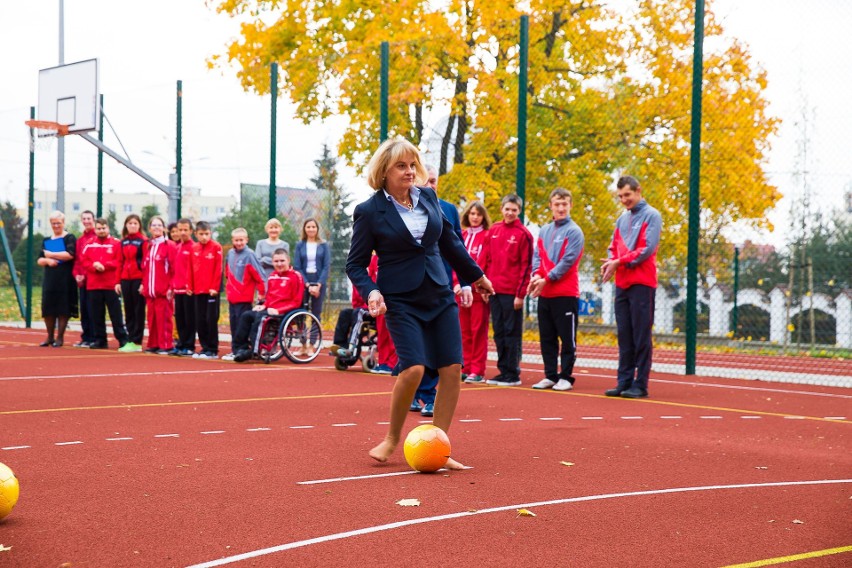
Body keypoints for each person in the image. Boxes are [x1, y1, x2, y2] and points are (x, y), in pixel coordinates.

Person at [346, 136, 494, 468]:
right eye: (401, 165)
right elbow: (354, 263)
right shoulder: (369, 211)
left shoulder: (428, 197)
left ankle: (437, 447)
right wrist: (371, 290)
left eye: (412, 164)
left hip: (440, 293)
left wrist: (476, 276)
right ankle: (391, 439)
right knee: (413, 369)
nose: (410, 171)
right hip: (400, 299)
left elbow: (451, 243)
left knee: (452, 370)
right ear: (384, 171)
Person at [406, 165, 472, 417]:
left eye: (434, 181)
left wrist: (465, 282)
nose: (431, 185)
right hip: (411, 287)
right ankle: (415, 391)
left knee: (439, 345)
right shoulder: (401, 208)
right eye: (427, 180)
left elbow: (458, 248)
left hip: (441, 285)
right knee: (415, 342)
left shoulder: (448, 210)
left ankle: (431, 396)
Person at [600, 175, 662, 399]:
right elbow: (612, 246)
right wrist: (610, 261)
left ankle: (640, 384)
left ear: (638, 191)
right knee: (624, 334)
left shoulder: (652, 215)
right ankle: (623, 381)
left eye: (627, 195)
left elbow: (647, 248)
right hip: (622, 283)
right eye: (620, 196)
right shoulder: (621, 220)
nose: (624, 200)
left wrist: (620, 261)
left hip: (642, 283)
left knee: (641, 334)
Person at [527, 188, 585, 391]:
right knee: (547, 337)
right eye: (557, 204)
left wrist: (548, 278)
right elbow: (538, 256)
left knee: (567, 338)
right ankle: (550, 375)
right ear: (551, 205)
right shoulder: (544, 230)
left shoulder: (574, 231)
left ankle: (566, 377)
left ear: (570, 206)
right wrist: (536, 275)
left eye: (565, 204)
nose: (561, 208)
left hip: (566, 294)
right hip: (545, 294)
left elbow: (568, 261)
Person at [485, 194, 533, 386]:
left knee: (511, 332)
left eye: (514, 209)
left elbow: (526, 266)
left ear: (519, 211)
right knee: (498, 332)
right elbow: (488, 260)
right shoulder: (494, 230)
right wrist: (486, 287)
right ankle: (503, 370)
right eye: (507, 209)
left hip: (512, 293)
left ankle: (513, 373)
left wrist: (520, 295)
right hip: (495, 291)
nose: (510, 212)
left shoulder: (524, 234)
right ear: (501, 209)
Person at [232, 249, 304, 362]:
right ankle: (239, 349)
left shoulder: (296, 276)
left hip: (285, 311)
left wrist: (279, 310)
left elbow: (296, 301)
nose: (279, 264)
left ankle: (254, 351)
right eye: (276, 261)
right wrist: (264, 305)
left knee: (261, 319)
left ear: (288, 260)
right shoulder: (272, 276)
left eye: (282, 261)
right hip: (269, 309)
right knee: (247, 315)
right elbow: (269, 297)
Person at [81, 218, 129, 350]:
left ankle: (122, 339)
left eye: (103, 228)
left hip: (111, 285)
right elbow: (83, 261)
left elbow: (119, 261)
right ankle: (100, 339)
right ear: (95, 229)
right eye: (98, 228)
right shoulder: (89, 244)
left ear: (108, 228)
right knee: (96, 314)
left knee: (115, 314)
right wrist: (93, 266)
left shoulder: (116, 243)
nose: (101, 231)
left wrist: (105, 266)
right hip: (94, 285)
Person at [458, 201, 492, 384]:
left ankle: (478, 370)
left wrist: (482, 284)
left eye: (478, 214)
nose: (475, 217)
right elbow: (455, 261)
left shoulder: (487, 236)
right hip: (462, 292)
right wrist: (457, 284)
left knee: (478, 331)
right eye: (472, 213)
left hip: (478, 292)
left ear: (483, 217)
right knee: (464, 331)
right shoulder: (461, 235)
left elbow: (486, 261)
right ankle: (467, 367)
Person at [222, 228, 266, 361]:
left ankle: (241, 349)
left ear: (247, 240)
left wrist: (262, 292)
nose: (239, 242)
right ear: (232, 241)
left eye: (242, 240)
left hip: (244, 298)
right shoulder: (230, 253)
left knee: (242, 326)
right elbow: (227, 272)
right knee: (234, 324)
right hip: (232, 297)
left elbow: (260, 275)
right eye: (236, 240)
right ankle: (236, 350)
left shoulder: (250, 255)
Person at [36, 211, 78, 347]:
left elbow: (70, 254)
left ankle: (60, 337)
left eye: (58, 223)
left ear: (63, 223)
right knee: (48, 306)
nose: (56, 226)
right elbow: (40, 259)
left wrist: (52, 255)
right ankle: (49, 337)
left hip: (65, 278)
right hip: (50, 278)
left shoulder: (69, 238)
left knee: (63, 307)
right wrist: (47, 261)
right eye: (53, 223)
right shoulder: (47, 240)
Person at [294, 218, 330, 356]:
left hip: (319, 281)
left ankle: (312, 345)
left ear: (317, 229)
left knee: (316, 314)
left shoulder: (323, 245)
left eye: (313, 227)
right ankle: (303, 344)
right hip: (304, 281)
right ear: (304, 229)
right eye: (308, 227)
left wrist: (318, 284)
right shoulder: (300, 245)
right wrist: (307, 284)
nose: (311, 229)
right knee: (301, 314)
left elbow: (326, 267)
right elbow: (297, 266)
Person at [140, 216, 176, 354]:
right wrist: (144, 284)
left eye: (159, 225)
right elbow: (145, 268)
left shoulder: (169, 246)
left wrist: (171, 287)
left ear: (164, 228)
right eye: (154, 225)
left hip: (163, 291)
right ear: (149, 229)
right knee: (152, 319)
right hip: (150, 291)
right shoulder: (149, 246)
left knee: (164, 318)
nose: (156, 228)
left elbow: (174, 268)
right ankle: (153, 343)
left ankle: (166, 344)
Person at [189, 221, 223, 359]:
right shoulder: (194, 248)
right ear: (196, 234)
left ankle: (212, 349)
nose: (204, 237)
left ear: (210, 233)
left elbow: (218, 269)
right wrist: (189, 286)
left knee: (210, 319)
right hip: (198, 289)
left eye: (207, 234)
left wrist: (214, 287)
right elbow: (190, 268)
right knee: (200, 319)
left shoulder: (216, 247)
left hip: (211, 291)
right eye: (201, 234)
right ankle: (204, 347)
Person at [116, 214, 147, 353]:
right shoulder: (123, 242)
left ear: (139, 225)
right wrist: (117, 282)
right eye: (130, 223)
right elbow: (119, 262)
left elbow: (146, 263)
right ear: (126, 225)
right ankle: (130, 339)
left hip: (138, 279)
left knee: (138, 310)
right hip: (125, 280)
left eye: (135, 223)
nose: (133, 226)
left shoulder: (144, 242)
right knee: (128, 310)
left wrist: (144, 282)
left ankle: (137, 341)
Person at [72, 210, 97, 347]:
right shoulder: (80, 240)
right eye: (84, 218)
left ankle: (94, 336)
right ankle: (86, 336)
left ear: (93, 220)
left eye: (89, 218)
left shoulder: (96, 237)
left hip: (93, 280)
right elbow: (77, 260)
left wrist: (86, 275)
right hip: (82, 282)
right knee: (84, 310)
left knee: (92, 308)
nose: (87, 221)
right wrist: (77, 275)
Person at [172, 218, 196, 356]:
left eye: (185, 230)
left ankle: (189, 345)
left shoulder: (194, 247)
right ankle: (181, 343)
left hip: (189, 290)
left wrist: (191, 285)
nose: (182, 233)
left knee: (189, 319)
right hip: (177, 289)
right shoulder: (177, 247)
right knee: (179, 318)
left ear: (191, 231)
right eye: (180, 230)